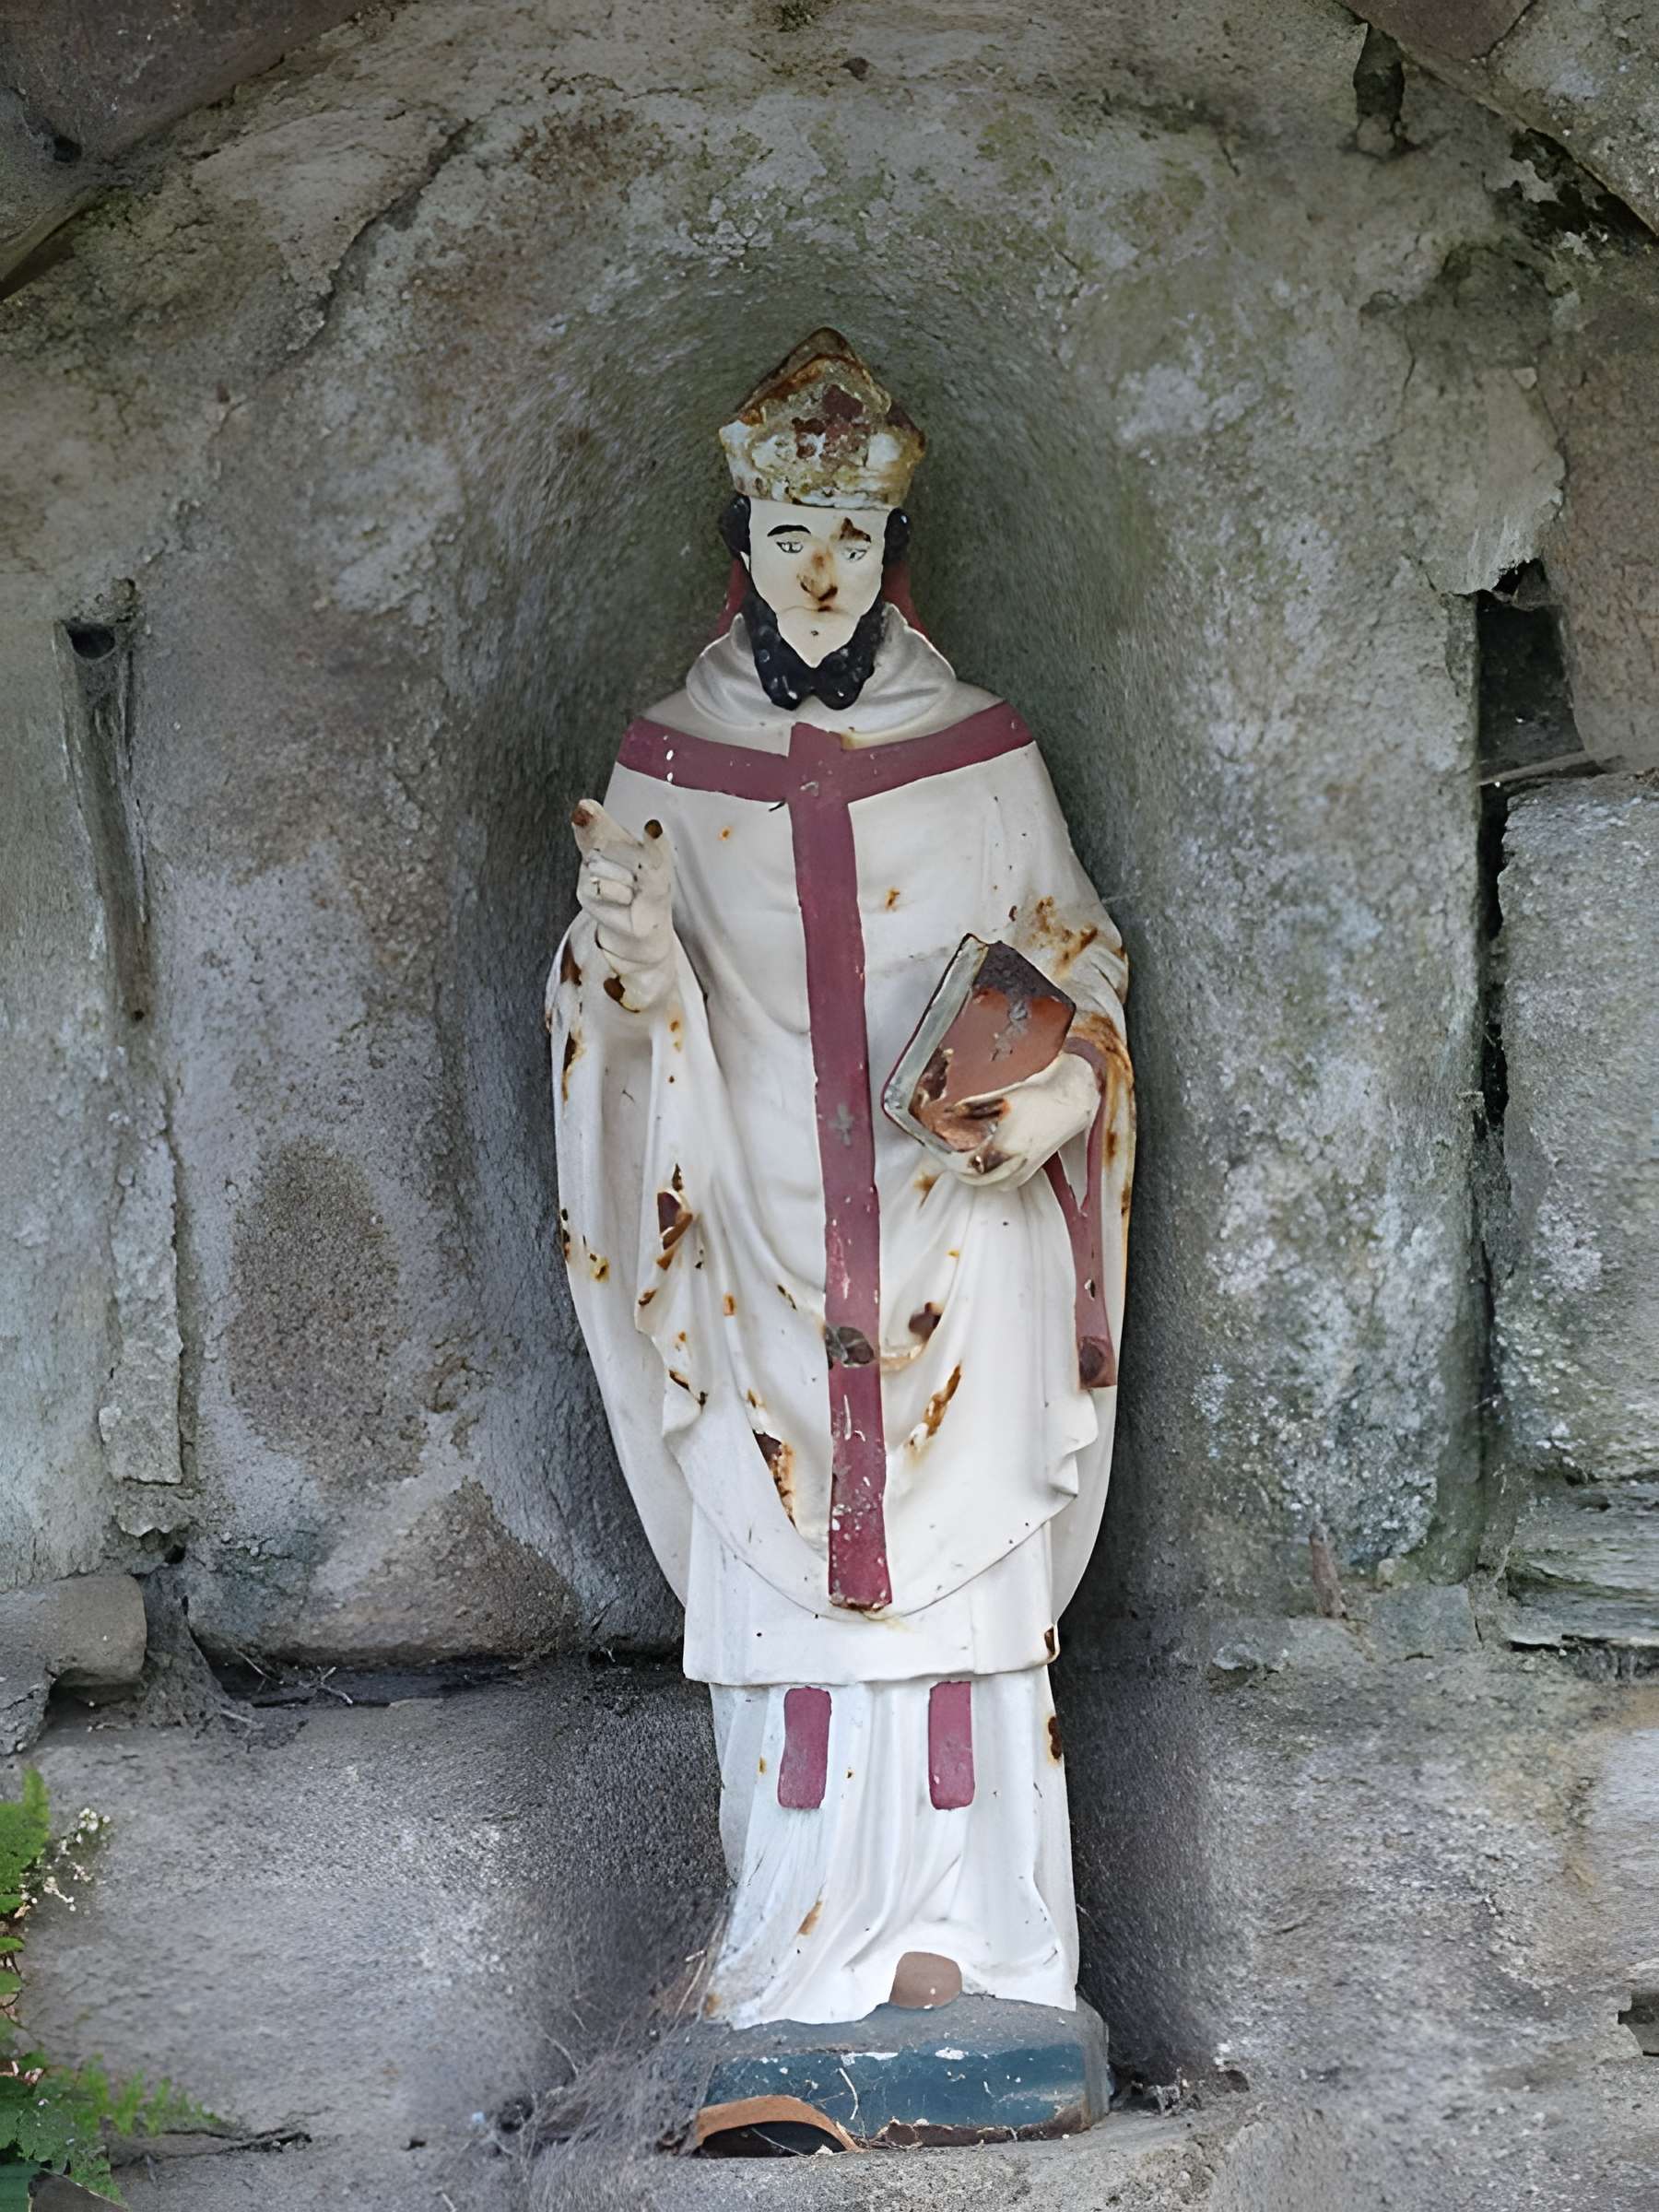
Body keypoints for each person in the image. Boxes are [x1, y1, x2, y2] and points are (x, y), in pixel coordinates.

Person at [547, 329, 1134, 2030]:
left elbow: (1084, 963)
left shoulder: (986, 751)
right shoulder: (666, 763)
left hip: (965, 1244)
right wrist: (634, 966)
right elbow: (616, 1027)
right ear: (741, 555)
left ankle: (987, 1953)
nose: (822, 574)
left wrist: (1068, 1091)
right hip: (750, 1242)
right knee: (785, 1593)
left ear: (894, 559)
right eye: (793, 539)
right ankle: (800, 1949)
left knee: (962, 1597)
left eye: (853, 542)